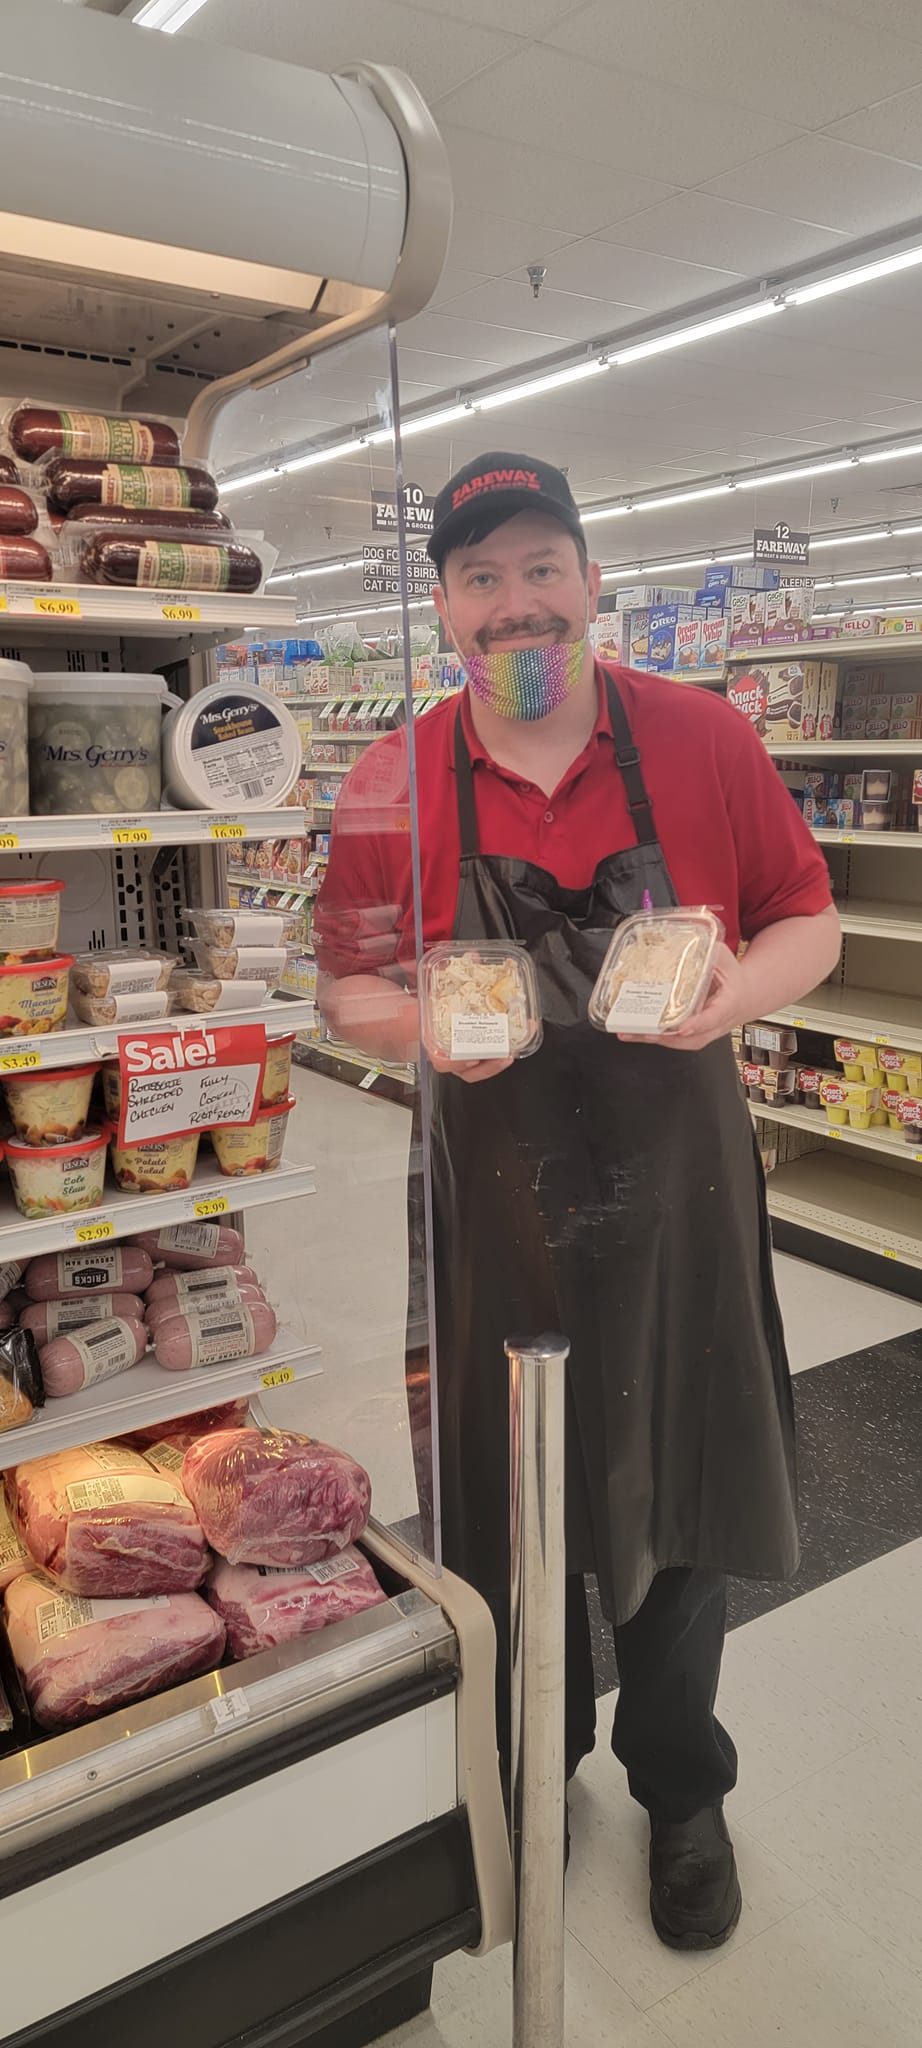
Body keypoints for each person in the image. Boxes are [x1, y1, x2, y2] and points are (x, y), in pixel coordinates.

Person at [314, 451, 841, 1951]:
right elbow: (347, 982)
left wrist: (735, 992)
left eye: (542, 564)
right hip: (493, 1204)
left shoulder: (701, 735)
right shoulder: (395, 772)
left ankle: (680, 1786)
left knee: (678, 1483)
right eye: (480, 575)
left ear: (592, 582)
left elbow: (806, 918)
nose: (515, 601)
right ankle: (528, 1757)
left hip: (678, 1195)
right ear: (443, 605)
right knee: (499, 1494)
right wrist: (423, 1025)